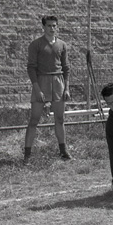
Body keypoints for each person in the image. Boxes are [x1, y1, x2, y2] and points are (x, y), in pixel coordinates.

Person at [25, 15, 71, 163]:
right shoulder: (36, 44)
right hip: (41, 81)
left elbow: (66, 68)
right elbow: (31, 68)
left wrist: (66, 88)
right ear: (43, 27)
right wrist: (37, 89)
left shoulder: (62, 45)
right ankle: (27, 155)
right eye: (49, 25)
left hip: (58, 82)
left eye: (54, 25)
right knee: (34, 119)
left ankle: (63, 152)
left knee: (60, 119)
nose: (52, 28)